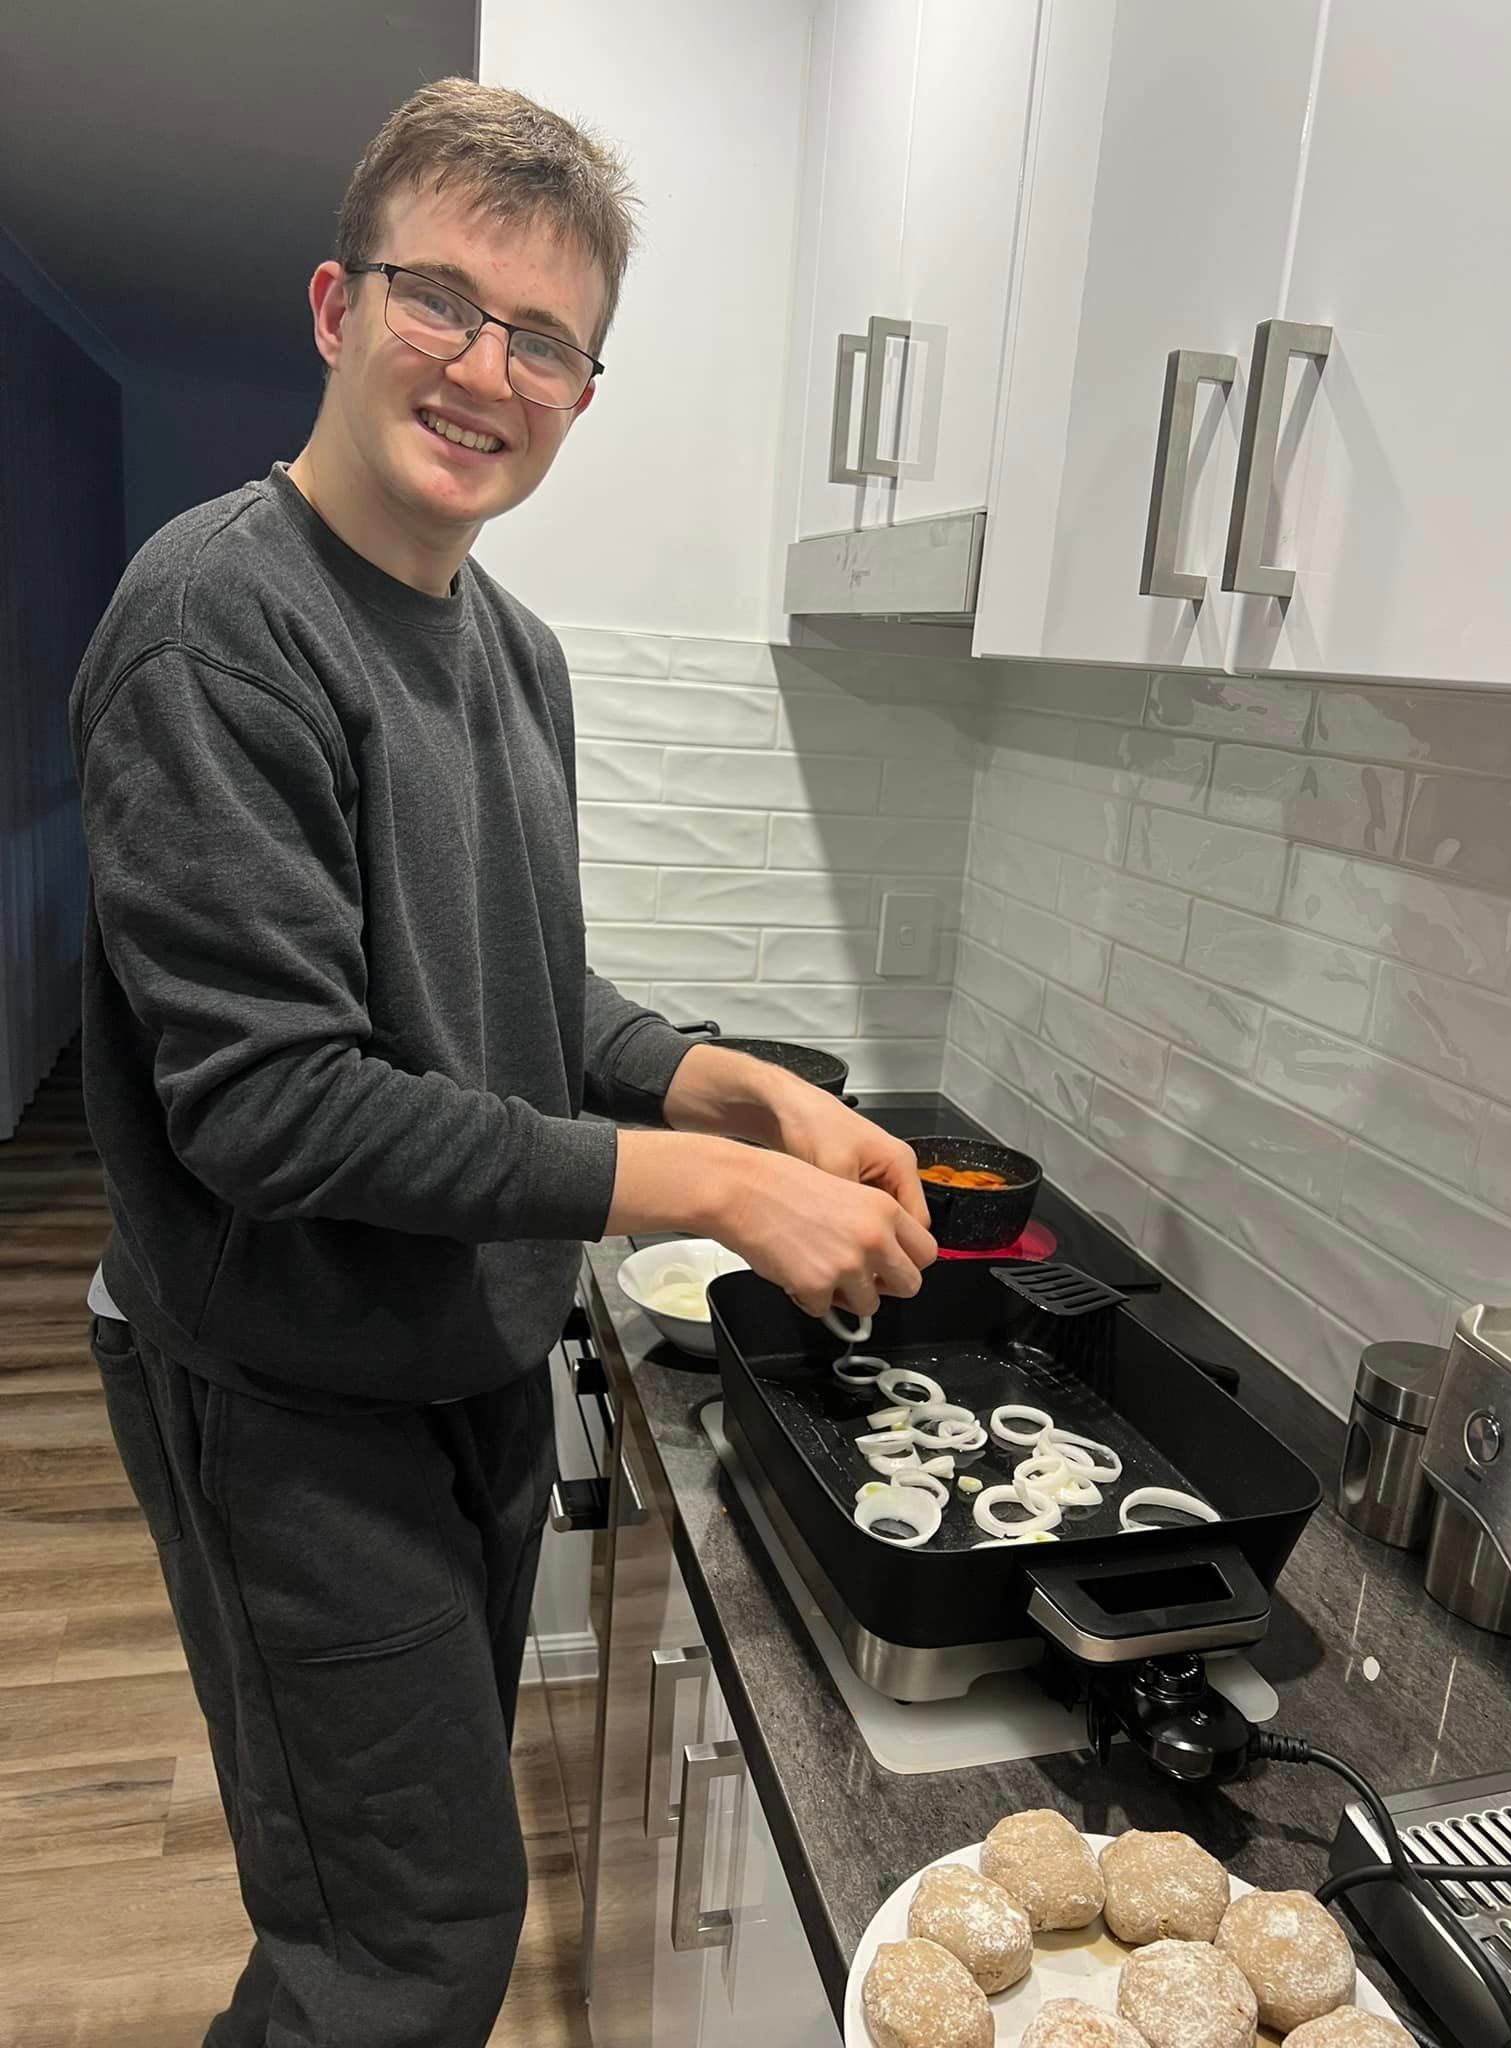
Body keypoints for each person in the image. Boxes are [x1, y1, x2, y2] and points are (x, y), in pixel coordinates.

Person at [67, 76, 936, 2048]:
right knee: (405, 1948)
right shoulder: (218, 625)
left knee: (392, 1917)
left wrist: (737, 1089)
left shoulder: (510, 649)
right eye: (440, 300)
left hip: (461, 1367)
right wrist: (708, 1188)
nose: (485, 370)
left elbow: (525, 994)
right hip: (285, 1395)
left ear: (583, 391)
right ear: (335, 306)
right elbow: (273, 1103)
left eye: (544, 337)